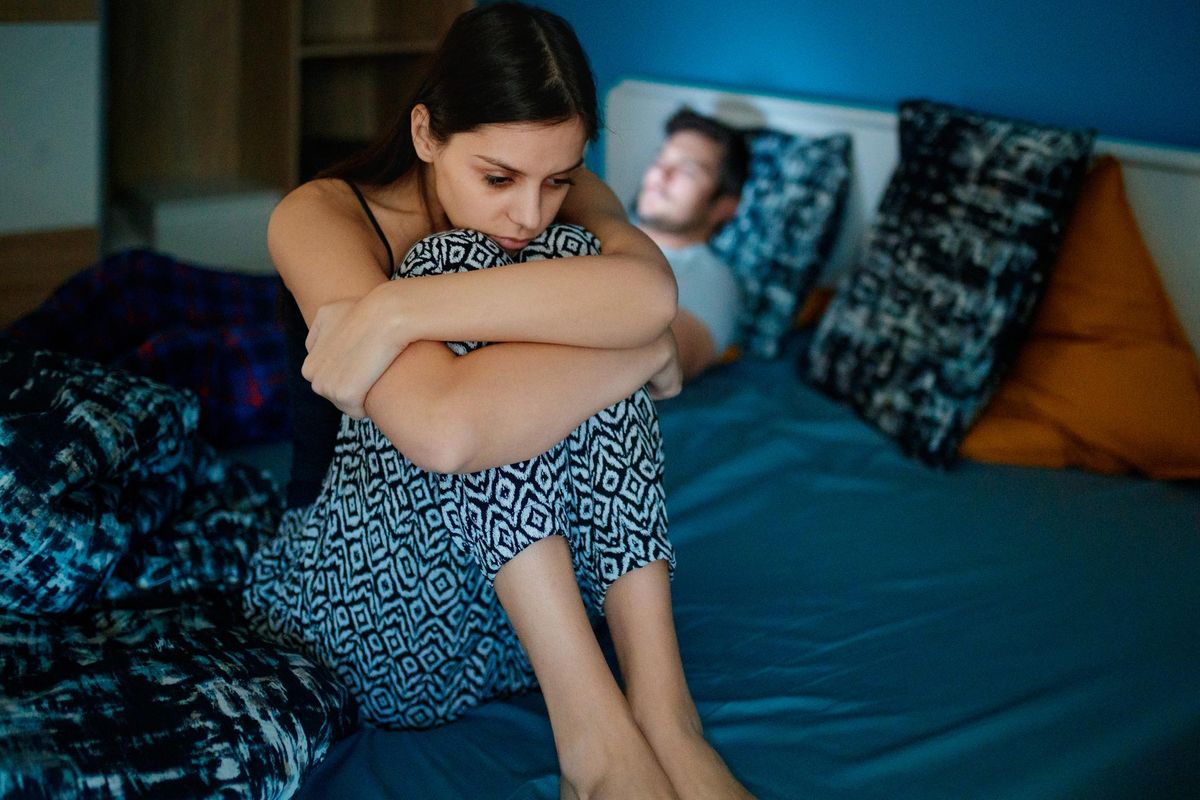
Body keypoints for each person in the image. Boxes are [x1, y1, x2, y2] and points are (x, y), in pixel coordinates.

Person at [240, 4, 754, 799]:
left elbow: (652, 292)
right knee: (478, 266)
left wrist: (395, 312)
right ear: (425, 134)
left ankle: (664, 714)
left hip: (531, 628)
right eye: (498, 177)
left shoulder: (558, 201)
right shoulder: (321, 214)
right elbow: (445, 429)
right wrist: (635, 353)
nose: (530, 211)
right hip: (374, 624)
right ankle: (598, 743)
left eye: (558, 179)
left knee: (573, 271)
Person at [635, 109, 748, 380]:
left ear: (724, 206)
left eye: (687, 170)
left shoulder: (713, 280)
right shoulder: (596, 221)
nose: (662, 174)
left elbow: (650, 361)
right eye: (661, 160)